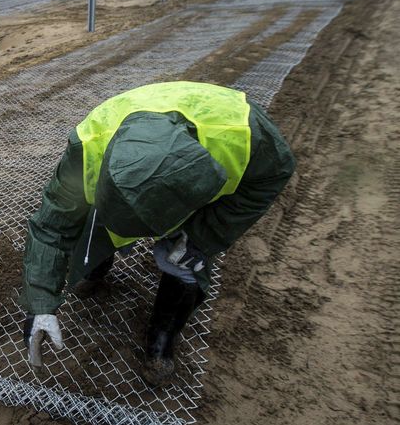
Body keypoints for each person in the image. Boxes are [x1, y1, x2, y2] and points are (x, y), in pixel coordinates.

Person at [21, 82, 295, 386]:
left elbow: (273, 176)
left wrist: (205, 236)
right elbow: (52, 227)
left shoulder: (248, 135)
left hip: (199, 182)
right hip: (119, 183)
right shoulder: (89, 145)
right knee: (86, 227)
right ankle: (96, 267)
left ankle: (162, 337)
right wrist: (41, 304)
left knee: (185, 257)